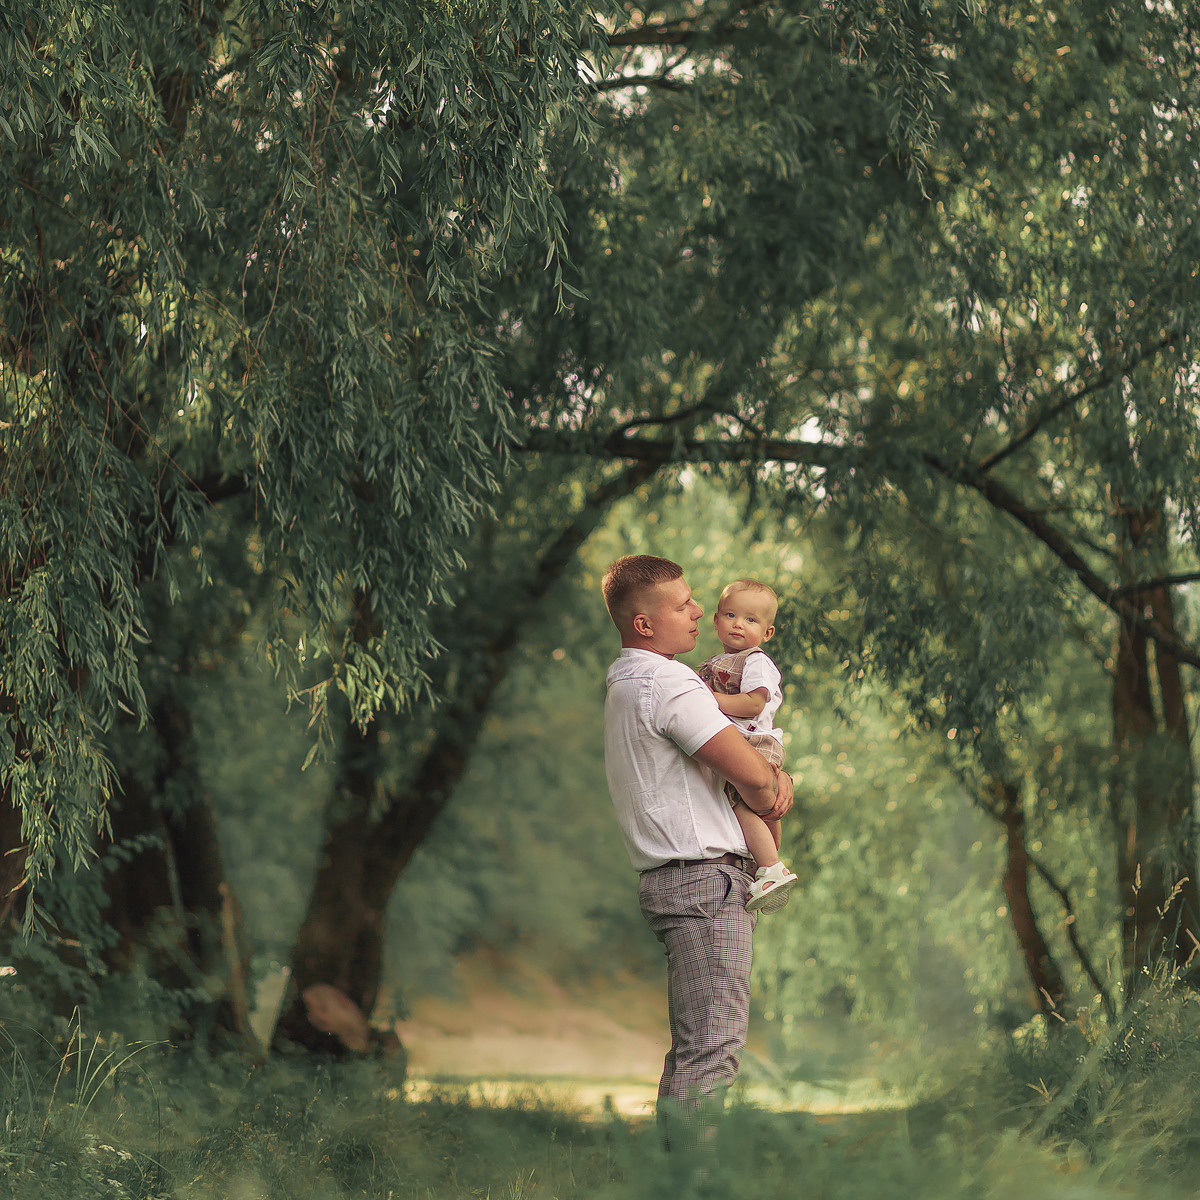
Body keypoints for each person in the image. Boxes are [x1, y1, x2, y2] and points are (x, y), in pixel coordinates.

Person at [601, 554, 793, 1153]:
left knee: (698, 1049)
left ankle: (677, 1180)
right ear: (643, 624)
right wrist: (776, 787)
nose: (697, 612)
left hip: (679, 882)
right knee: (712, 1052)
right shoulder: (669, 682)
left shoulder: (625, 683)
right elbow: (754, 779)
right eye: (682, 603)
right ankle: (689, 1185)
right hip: (705, 883)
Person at [695, 579, 798, 914]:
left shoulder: (757, 661)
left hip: (755, 741)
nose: (738, 623)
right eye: (730, 615)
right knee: (749, 805)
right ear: (716, 620)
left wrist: (713, 701)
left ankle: (771, 867)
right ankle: (769, 857)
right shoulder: (715, 662)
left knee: (739, 802)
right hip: (742, 742)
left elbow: (755, 703)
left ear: (767, 633)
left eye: (751, 620)